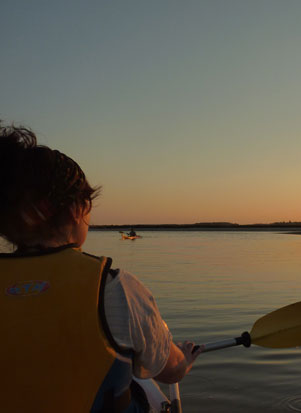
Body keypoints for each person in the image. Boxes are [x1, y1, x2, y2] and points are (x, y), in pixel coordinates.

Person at [0, 122, 202, 412]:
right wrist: (183, 357)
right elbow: (169, 371)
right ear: (72, 210)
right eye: (87, 206)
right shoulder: (113, 288)